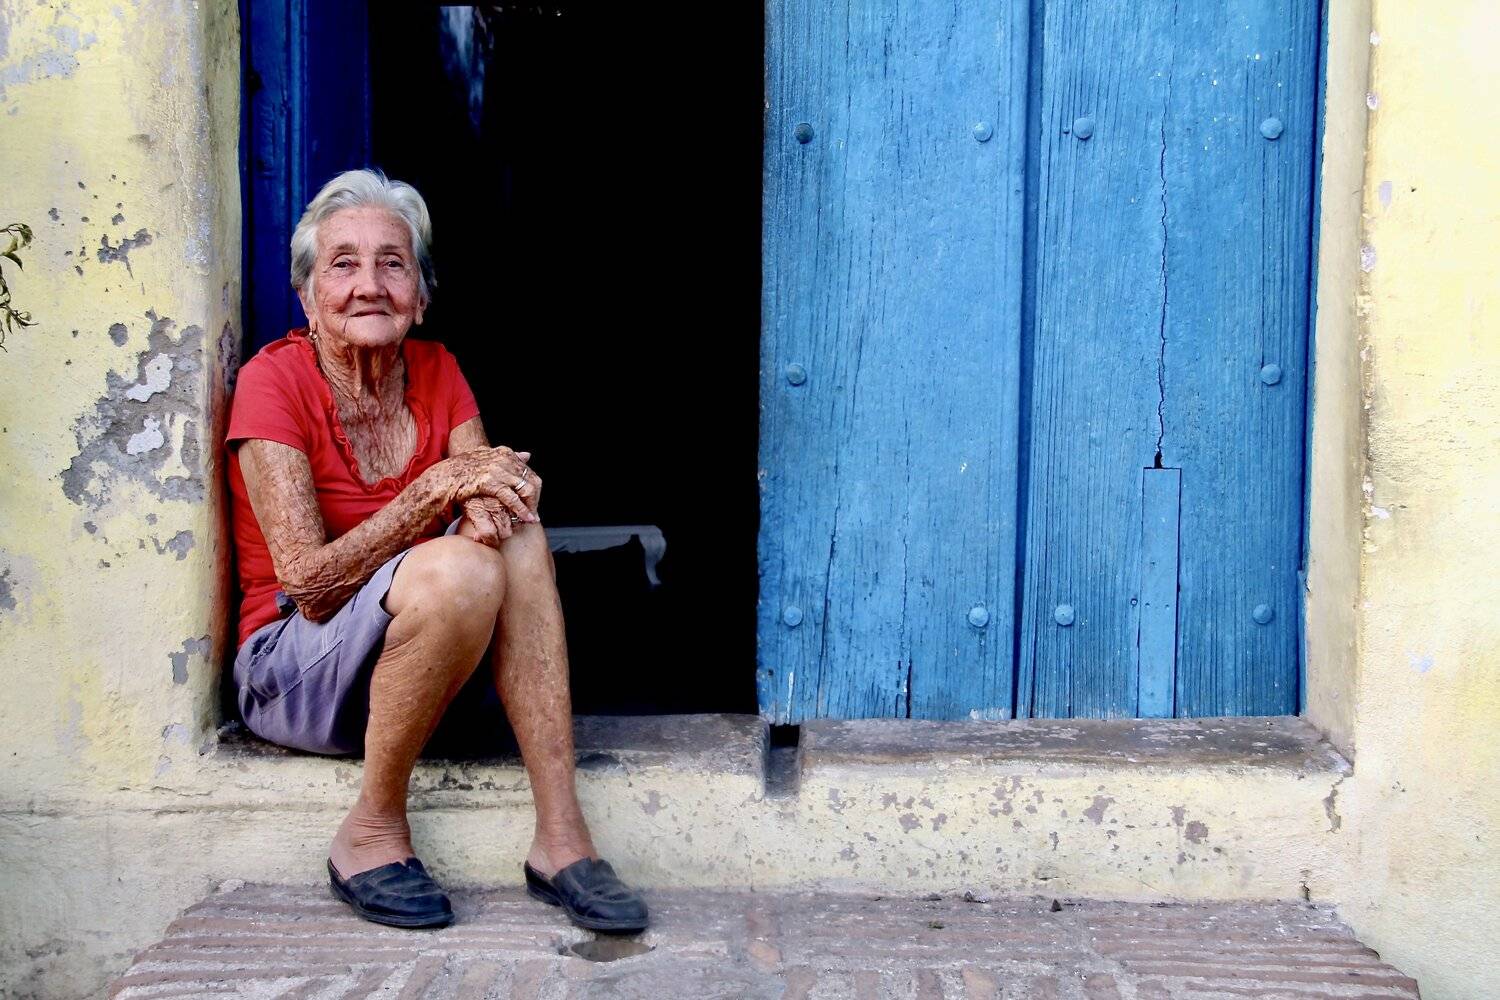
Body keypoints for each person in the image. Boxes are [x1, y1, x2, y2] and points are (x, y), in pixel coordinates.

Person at [225, 168, 647, 932]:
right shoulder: (272, 383)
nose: (369, 285)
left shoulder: (439, 370)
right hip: (294, 674)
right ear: (308, 295)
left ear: (419, 295)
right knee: (456, 568)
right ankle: (371, 831)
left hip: (421, 679)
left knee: (515, 534)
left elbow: (488, 491)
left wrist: (491, 500)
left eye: (393, 263)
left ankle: (561, 838)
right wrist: (433, 494)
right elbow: (310, 585)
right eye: (343, 264)